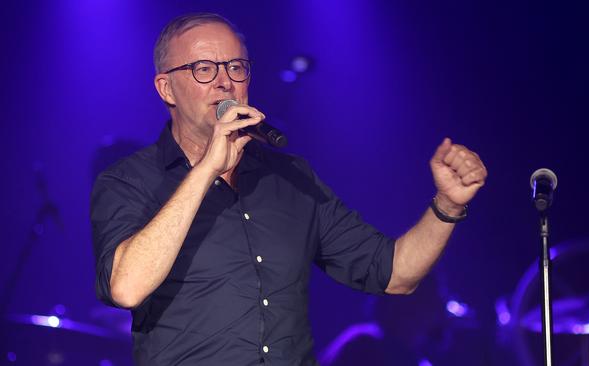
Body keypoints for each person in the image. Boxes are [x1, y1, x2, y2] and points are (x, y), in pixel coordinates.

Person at [90, 12, 487, 366]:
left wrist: (447, 204)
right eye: (204, 69)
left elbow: (395, 273)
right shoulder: (128, 181)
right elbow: (126, 288)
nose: (225, 81)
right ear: (166, 89)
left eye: (236, 67)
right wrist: (208, 167)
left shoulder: (289, 178)